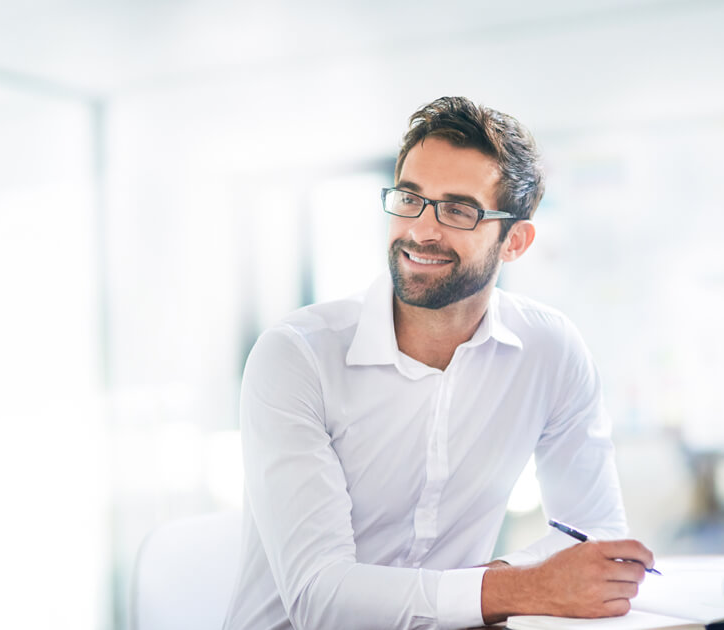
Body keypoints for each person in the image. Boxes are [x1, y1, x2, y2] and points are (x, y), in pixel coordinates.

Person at [223, 96, 655, 630]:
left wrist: (494, 586)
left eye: (457, 210)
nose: (422, 230)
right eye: (409, 199)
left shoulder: (551, 350)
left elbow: (596, 538)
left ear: (514, 241)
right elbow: (320, 599)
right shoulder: (296, 356)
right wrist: (521, 587)